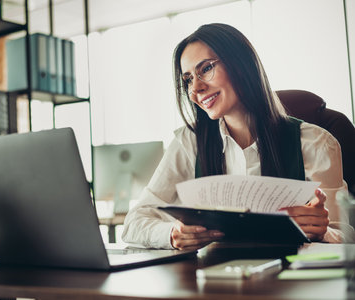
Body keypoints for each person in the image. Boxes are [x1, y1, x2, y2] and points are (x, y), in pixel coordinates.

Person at [121, 23, 347, 250]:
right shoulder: (189, 143)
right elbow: (133, 223)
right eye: (188, 79)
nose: (195, 88)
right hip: (212, 278)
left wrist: (322, 231)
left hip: (288, 280)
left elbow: (346, 234)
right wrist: (172, 233)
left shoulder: (316, 143)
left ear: (241, 64)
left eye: (206, 68)